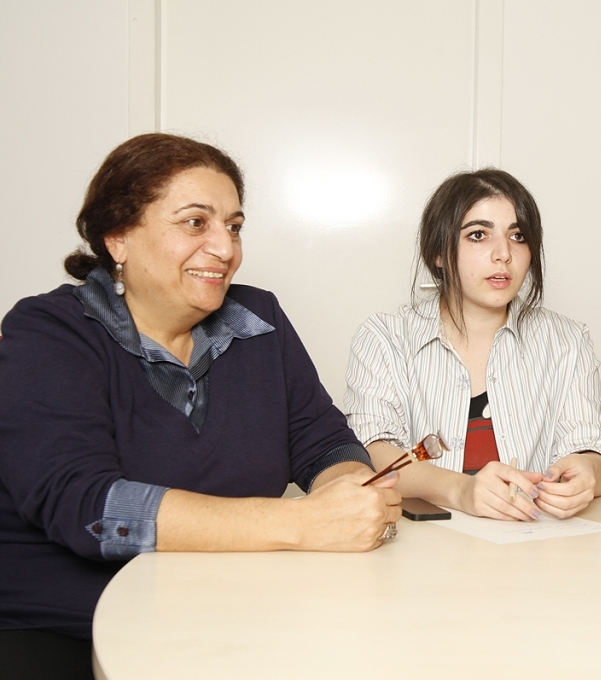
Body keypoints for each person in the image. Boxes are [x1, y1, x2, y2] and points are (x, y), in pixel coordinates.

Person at [0, 133, 401, 678]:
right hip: (67, 628)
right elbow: (94, 511)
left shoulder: (260, 319)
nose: (225, 247)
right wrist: (304, 523)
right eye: (196, 223)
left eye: (234, 227)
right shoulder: (48, 332)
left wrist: (348, 489)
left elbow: (323, 440)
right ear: (118, 237)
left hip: (226, 615)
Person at [343, 169, 601, 521]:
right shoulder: (384, 338)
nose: (504, 254)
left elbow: (593, 447)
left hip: (534, 549)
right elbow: (371, 453)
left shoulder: (566, 341)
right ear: (437, 252)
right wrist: (461, 490)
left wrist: (588, 473)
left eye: (518, 236)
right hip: (421, 553)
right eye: (478, 235)